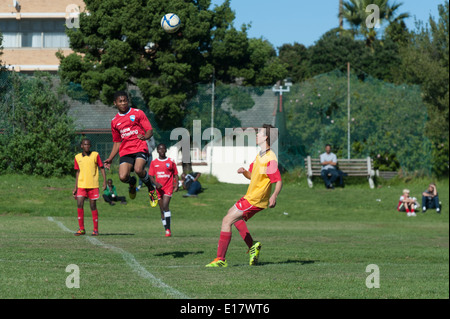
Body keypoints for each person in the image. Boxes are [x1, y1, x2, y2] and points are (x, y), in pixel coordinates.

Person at [205, 124, 283, 267]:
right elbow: (252, 176)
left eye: (259, 133)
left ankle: (220, 260)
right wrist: (244, 172)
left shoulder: (270, 158)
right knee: (233, 218)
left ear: (266, 137)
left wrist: (274, 196)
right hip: (250, 197)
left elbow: (278, 180)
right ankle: (252, 245)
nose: (257, 135)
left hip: (256, 199)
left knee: (227, 220)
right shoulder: (260, 155)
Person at [103, 91, 158, 208]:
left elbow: (149, 130)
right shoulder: (114, 121)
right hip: (126, 151)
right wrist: (110, 158)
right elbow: (117, 142)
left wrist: (145, 137)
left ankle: (150, 188)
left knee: (139, 169)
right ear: (115, 103)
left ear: (128, 101)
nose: (123, 103)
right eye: (120, 101)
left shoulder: (138, 113)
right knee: (123, 177)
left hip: (140, 147)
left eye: (125, 100)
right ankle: (132, 182)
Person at [72, 138, 107, 236]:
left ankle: (95, 230)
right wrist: (76, 187)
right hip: (81, 185)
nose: (87, 146)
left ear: (90, 146)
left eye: (88, 144)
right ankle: (81, 229)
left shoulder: (95, 155)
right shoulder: (77, 157)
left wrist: (104, 181)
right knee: (79, 204)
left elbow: (101, 168)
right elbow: (77, 172)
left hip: (93, 185)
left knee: (92, 206)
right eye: (85, 144)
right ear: (82, 146)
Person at [148, 143, 179, 237]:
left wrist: (176, 184)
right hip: (158, 189)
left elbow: (176, 174)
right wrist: (156, 184)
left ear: (166, 150)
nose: (161, 151)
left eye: (163, 149)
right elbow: (150, 176)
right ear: (157, 151)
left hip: (168, 187)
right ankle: (166, 229)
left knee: (165, 206)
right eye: (160, 149)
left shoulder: (171, 161)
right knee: (162, 210)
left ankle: (168, 229)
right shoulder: (154, 162)